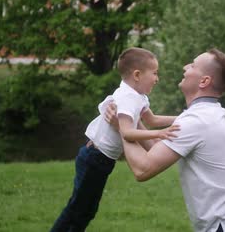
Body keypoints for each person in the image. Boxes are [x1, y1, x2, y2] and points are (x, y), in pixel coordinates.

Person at [107, 49, 225, 232]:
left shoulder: (196, 121)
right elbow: (156, 150)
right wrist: (131, 120)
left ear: (204, 81)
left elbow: (142, 169)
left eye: (193, 65)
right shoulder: (208, 114)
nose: (185, 67)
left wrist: (122, 127)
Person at [50, 47, 179, 232]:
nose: (157, 79)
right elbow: (127, 133)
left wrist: (185, 117)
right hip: (94, 158)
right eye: (155, 73)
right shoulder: (127, 98)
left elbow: (152, 120)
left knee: (86, 210)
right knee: (78, 210)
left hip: (101, 161)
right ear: (137, 74)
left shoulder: (139, 97)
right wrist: (159, 134)